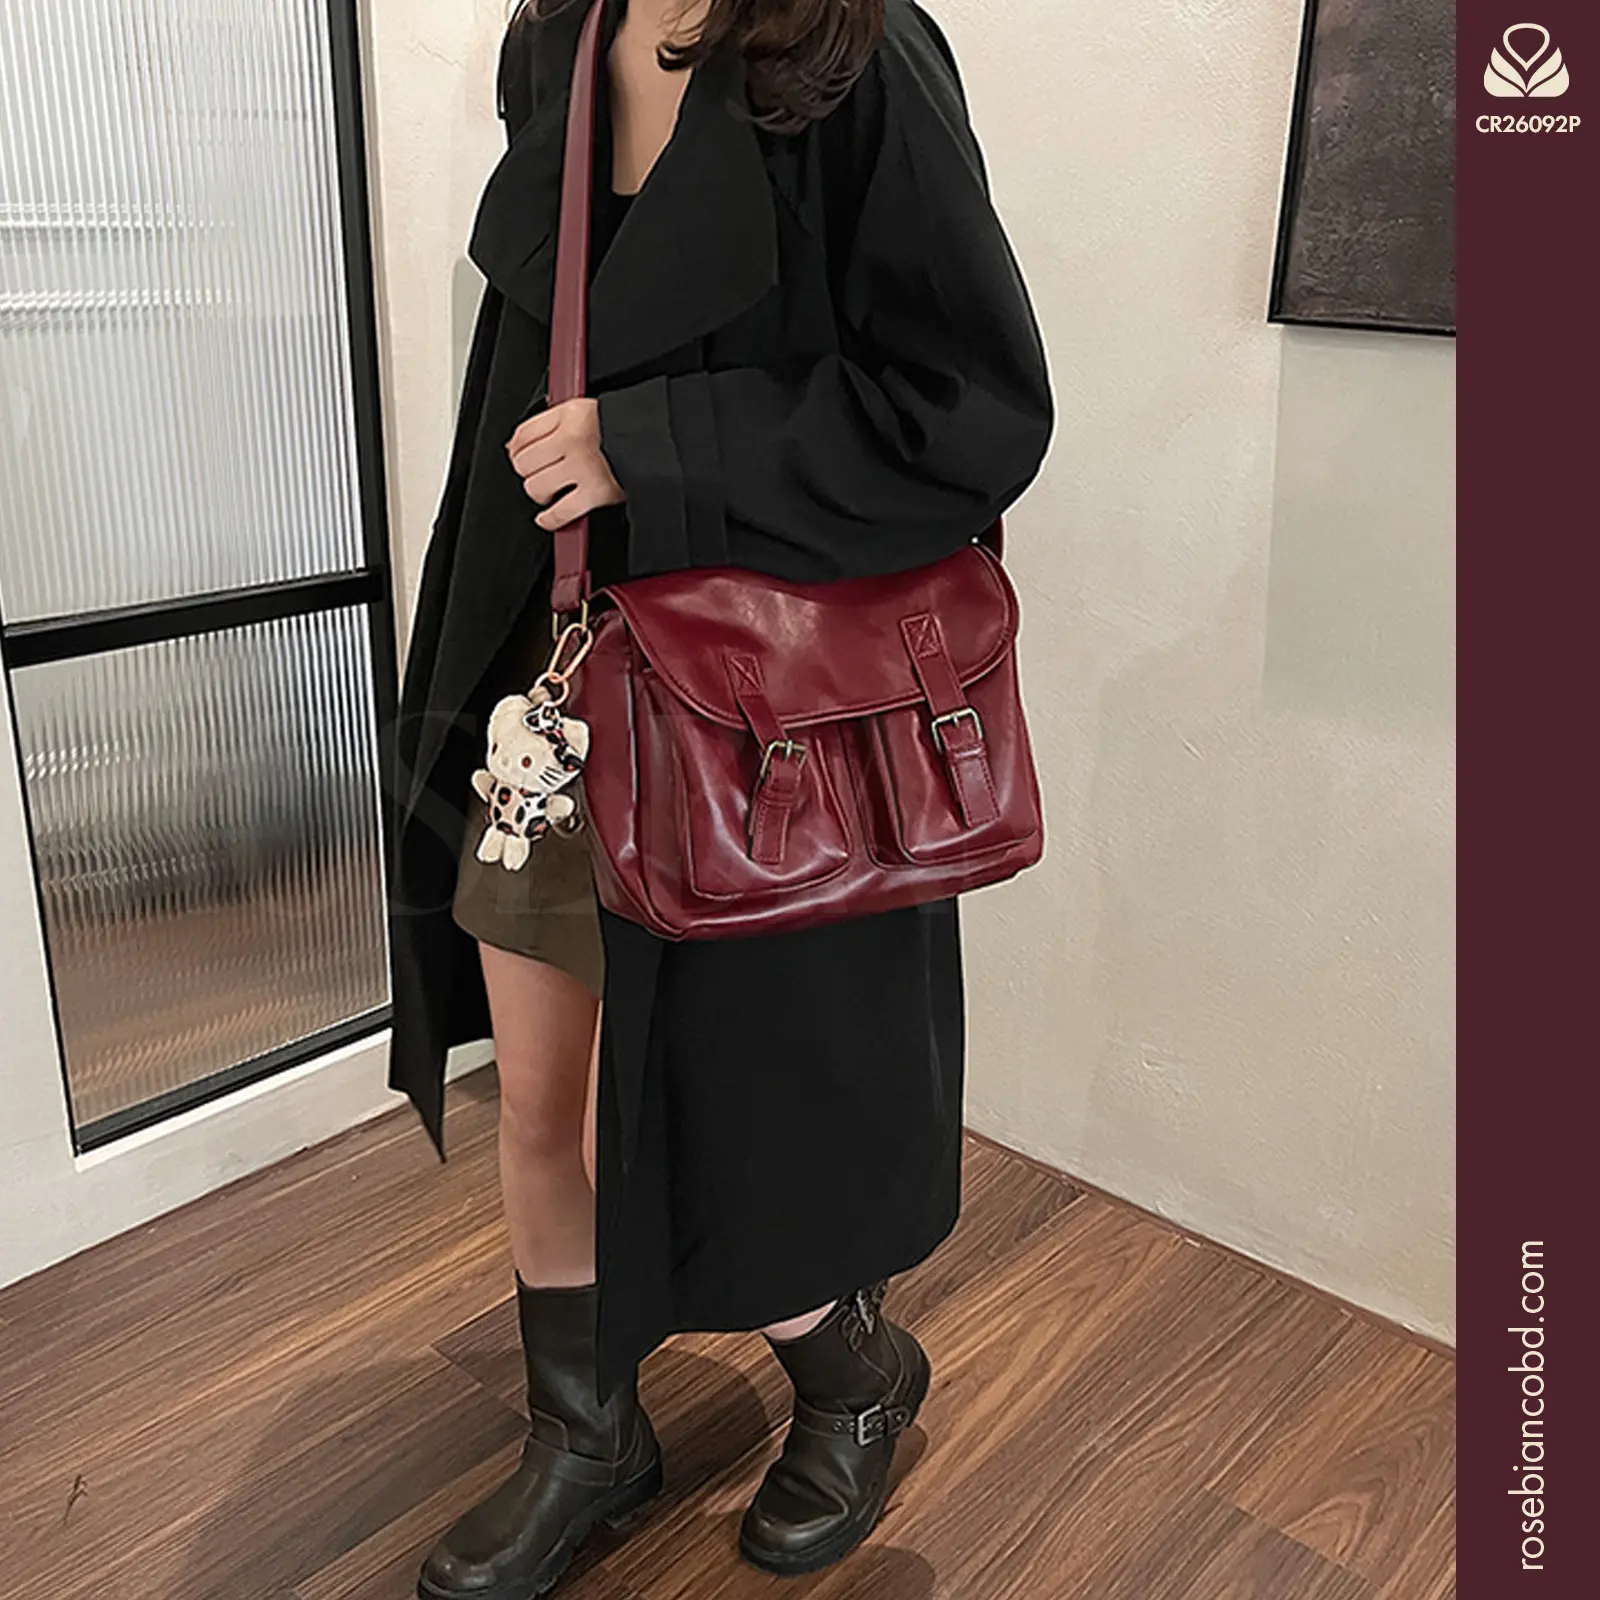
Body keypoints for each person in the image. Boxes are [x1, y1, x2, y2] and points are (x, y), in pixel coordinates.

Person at [385, 0, 1052, 1593]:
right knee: (544, 1095)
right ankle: (585, 1435)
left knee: (752, 1113)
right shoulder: (558, 41)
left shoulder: (855, 52)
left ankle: (855, 1369)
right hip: (546, 680)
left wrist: (660, 444)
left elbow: (973, 409)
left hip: (763, 720)